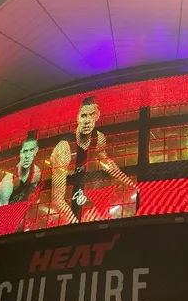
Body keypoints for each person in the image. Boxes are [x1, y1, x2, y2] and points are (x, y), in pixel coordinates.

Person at [50, 96, 138, 225]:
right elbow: (57, 200)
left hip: (77, 186)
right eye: (84, 115)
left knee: (97, 216)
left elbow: (108, 164)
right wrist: (76, 226)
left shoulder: (99, 139)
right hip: (59, 191)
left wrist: (133, 185)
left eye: (92, 115)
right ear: (77, 118)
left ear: (97, 116)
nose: (87, 121)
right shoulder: (64, 148)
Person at [0, 136, 41, 207]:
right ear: (20, 153)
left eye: (31, 150)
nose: (27, 156)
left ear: (36, 151)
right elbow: (1, 207)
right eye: (25, 151)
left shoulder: (37, 171)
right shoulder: (8, 180)